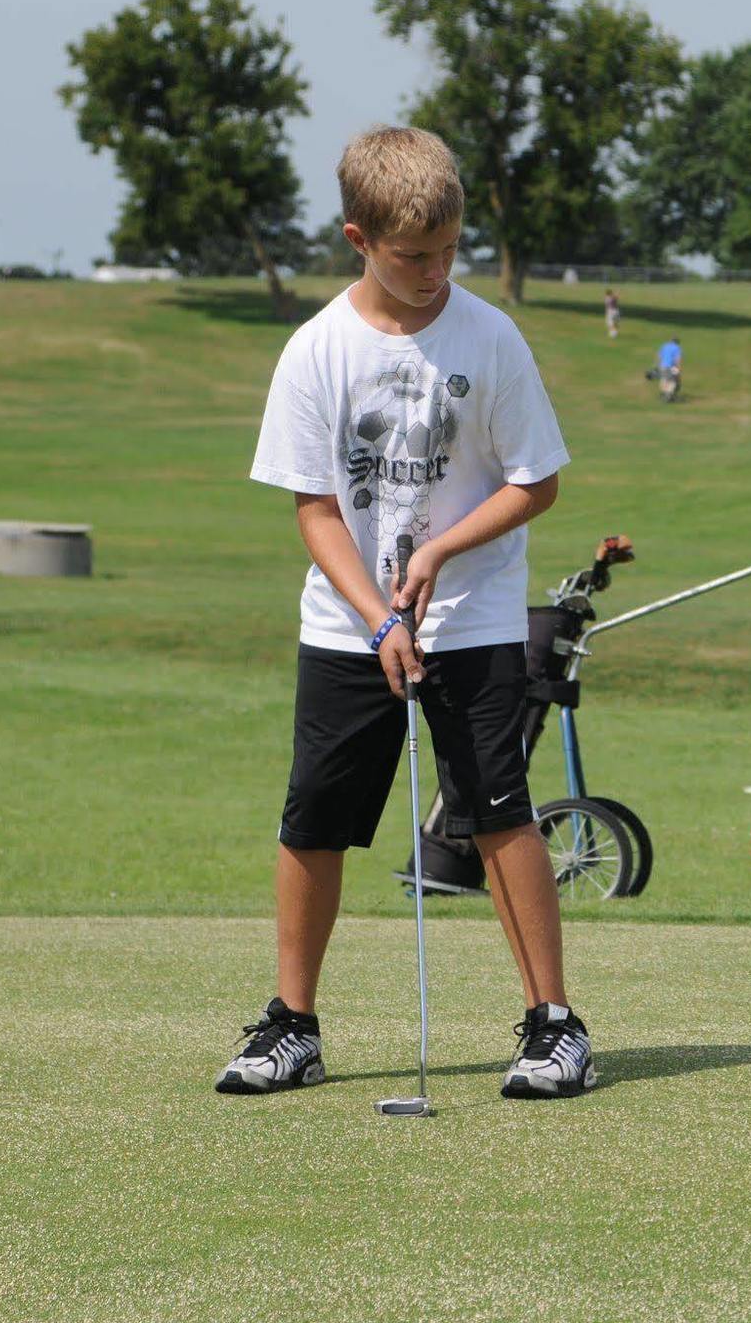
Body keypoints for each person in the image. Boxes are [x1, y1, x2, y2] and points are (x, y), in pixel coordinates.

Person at [229, 125, 597, 1101]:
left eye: (448, 250)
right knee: (314, 816)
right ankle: (292, 1023)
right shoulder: (316, 351)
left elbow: (537, 483)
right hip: (349, 624)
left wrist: (439, 549)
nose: (434, 271)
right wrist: (379, 619)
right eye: (411, 256)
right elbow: (315, 509)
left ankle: (553, 1023)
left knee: (496, 809)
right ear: (358, 236)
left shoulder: (490, 337)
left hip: (473, 616)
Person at [656, 335, 682, 401]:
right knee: (673, 381)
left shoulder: (665, 346)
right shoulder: (677, 347)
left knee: (664, 379)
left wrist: (658, 365)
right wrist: (678, 368)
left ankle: (663, 394)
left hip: (662, 366)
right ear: (677, 342)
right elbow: (677, 359)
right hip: (672, 367)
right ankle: (669, 395)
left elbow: (659, 355)